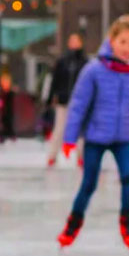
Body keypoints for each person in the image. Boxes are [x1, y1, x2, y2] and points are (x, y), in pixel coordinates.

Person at [57, 15, 129, 252]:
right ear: (112, 41)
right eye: (123, 42)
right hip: (95, 137)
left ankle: (128, 227)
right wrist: (69, 139)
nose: (127, 48)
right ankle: (72, 226)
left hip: (123, 138)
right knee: (89, 184)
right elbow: (78, 105)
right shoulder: (94, 70)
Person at [45, 34, 89, 168]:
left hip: (80, 102)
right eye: (72, 41)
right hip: (63, 101)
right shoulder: (62, 61)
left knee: (80, 129)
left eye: (76, 41)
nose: (74, 43)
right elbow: (55, 80)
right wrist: (51, 98)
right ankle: (52, 156)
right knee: (59, 128)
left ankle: (81, 157)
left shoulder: (85, 62)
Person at [0, 68, 17, 144]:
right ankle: (2, 136)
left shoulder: (11, 92)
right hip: (1, 111)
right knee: (2, 123)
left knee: (9, 122)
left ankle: (10, 135)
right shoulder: (0, 92)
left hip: (8, 110)